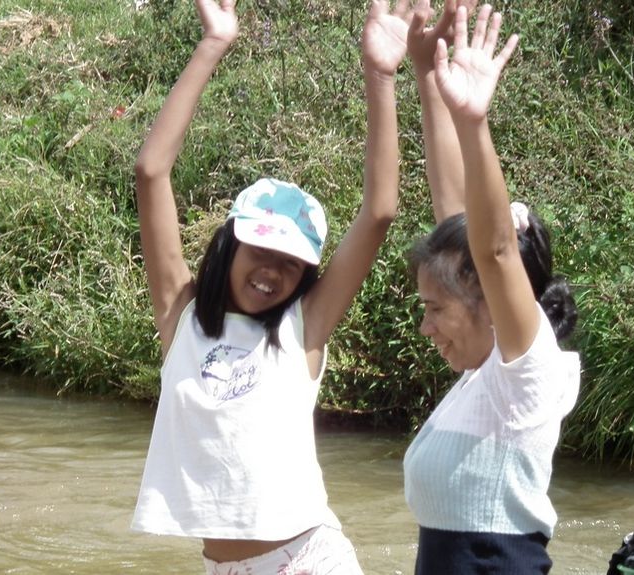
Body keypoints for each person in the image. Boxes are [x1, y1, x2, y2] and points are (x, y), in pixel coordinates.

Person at [129, 0, 411, 572]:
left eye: (290, 263)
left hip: (307, 559)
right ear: (231, 244)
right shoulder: (181, 318)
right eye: (260, 249)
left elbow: (379, 212)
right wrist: (214, 43)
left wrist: (380, 76)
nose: (271, 271)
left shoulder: (301, 327)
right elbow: (150, 172)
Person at [401, 2, 580, 573]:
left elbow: (494, 249)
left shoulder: (524, 372)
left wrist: (474, 122)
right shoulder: (484, 377)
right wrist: (428, 76)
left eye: (434, 308)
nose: (425, 326)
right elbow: (457, 221)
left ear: (491, 297)